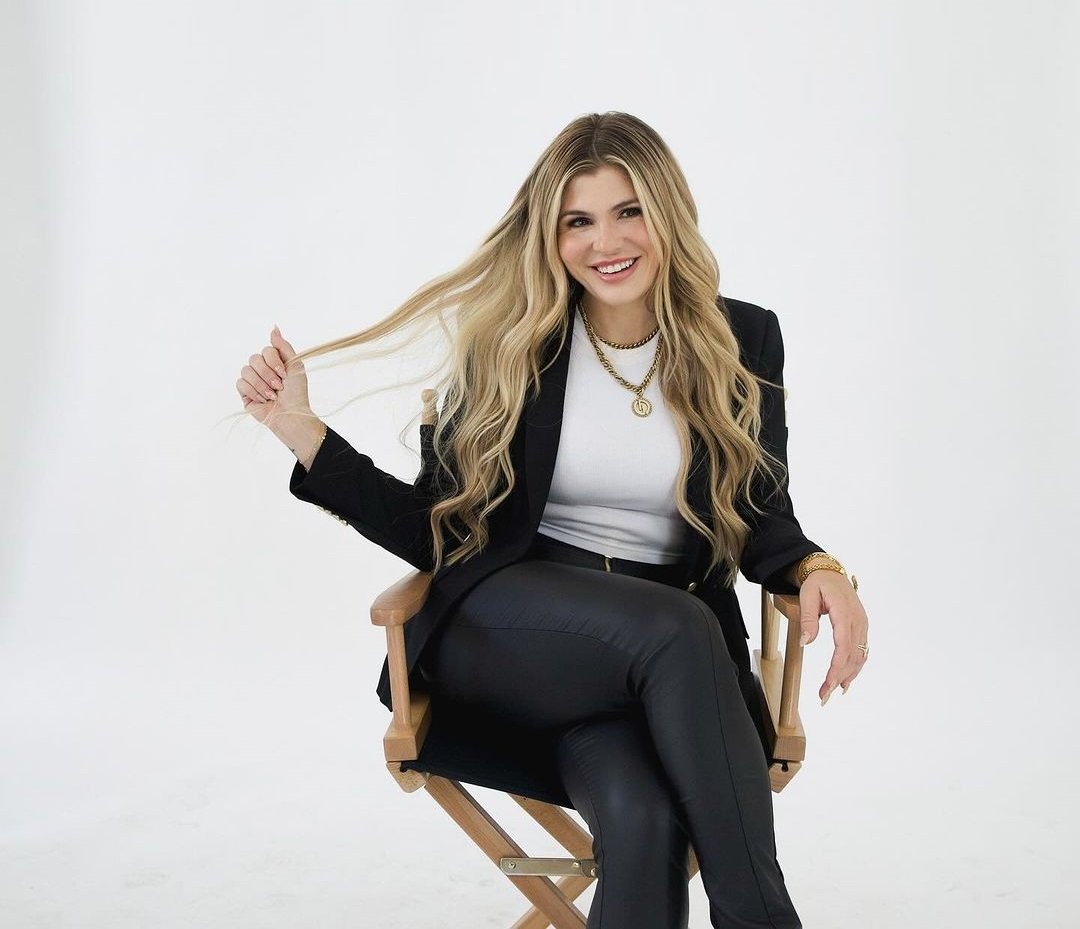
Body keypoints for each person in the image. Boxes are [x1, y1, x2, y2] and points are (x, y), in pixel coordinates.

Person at [234, 112, 870, 929]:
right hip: (513, 625)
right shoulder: (510, 344)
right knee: (676, 629)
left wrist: (821, 570)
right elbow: (441, 529)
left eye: (627, 210)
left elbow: (758, 512)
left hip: (664, 665)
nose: (605, 240)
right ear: (552, 234)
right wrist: (304, 434)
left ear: (667, 213)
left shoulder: (742, 338)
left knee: (642, 816)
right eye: (578, 220)